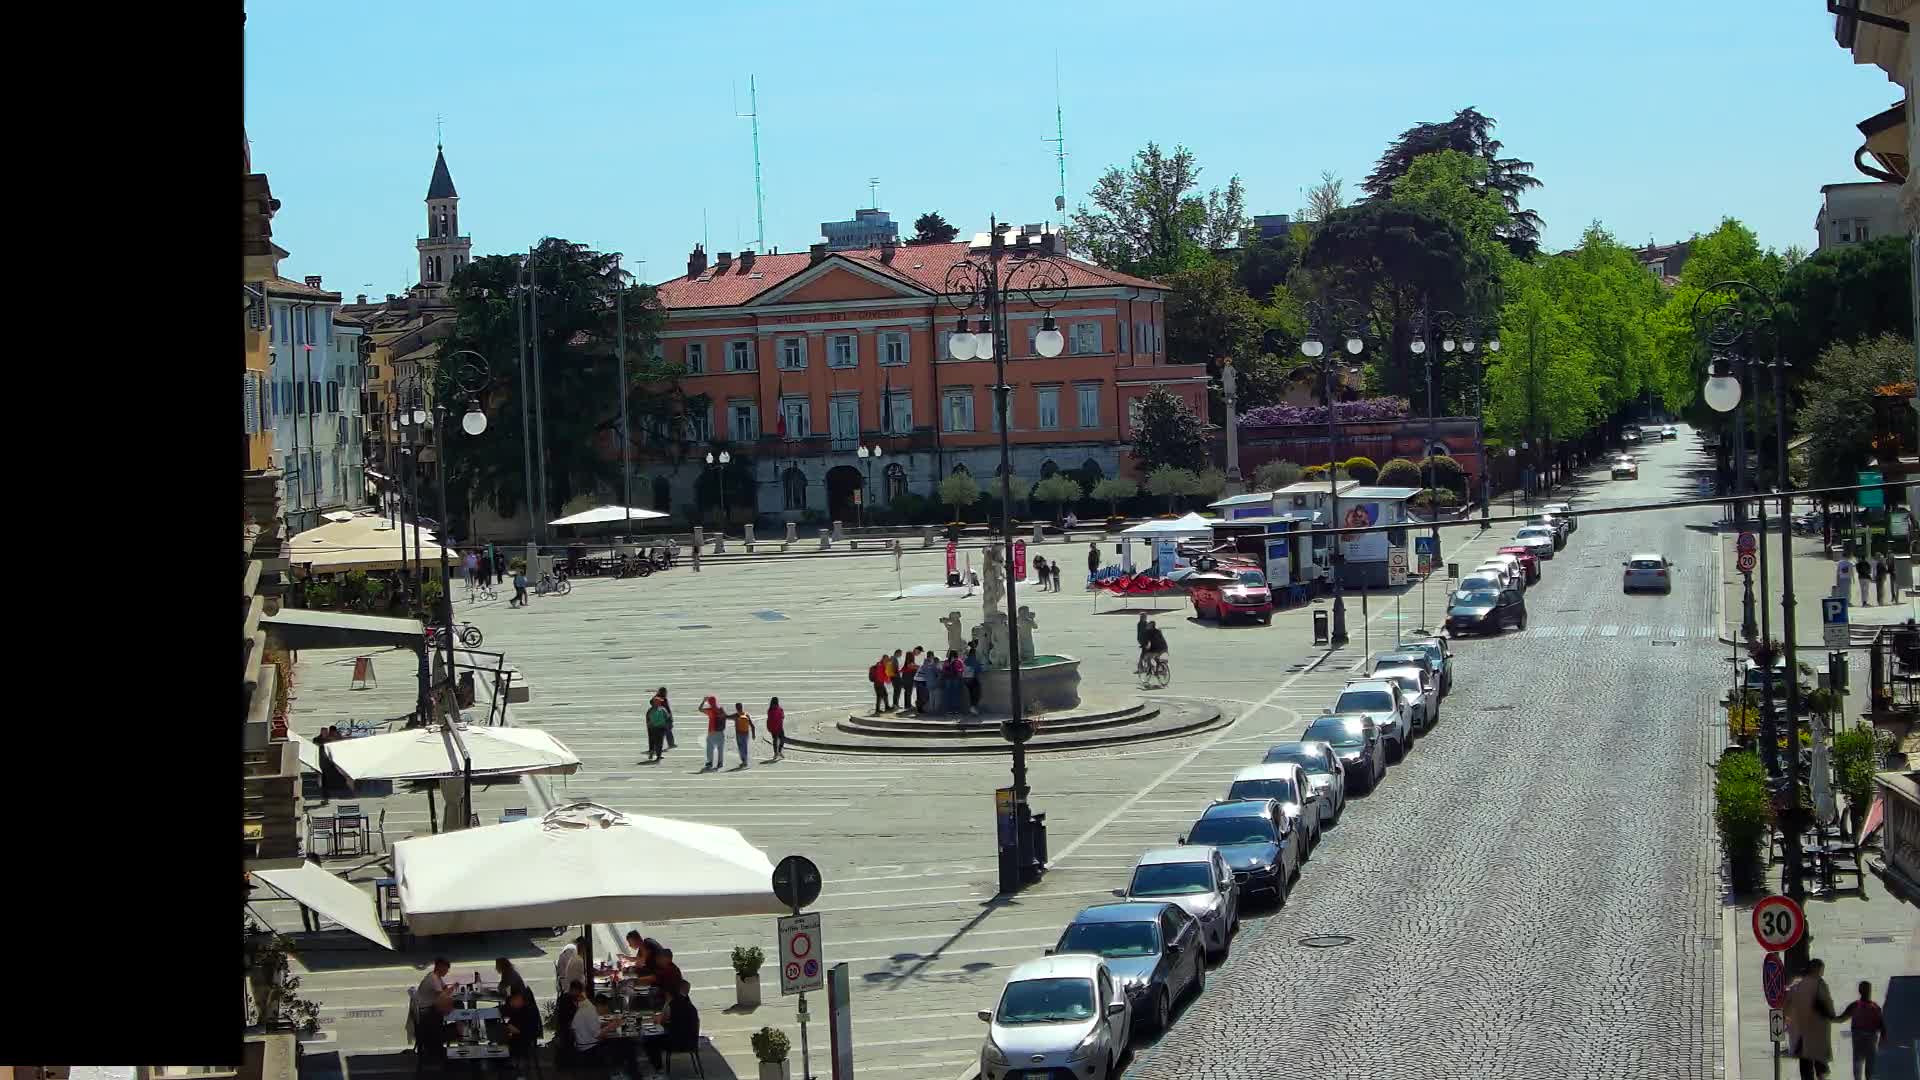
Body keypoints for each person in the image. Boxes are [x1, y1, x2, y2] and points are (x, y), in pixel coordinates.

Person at [1784, 957, 1840, 1080]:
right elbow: (1828, 1004)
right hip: (1817, 1030)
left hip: (1802, 1032)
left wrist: (1787, 1021)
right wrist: (1832, 1016)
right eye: (1821, 970)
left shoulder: (1797, 985)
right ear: (1816, 970)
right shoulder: (1820, 984)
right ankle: (1821, 1074)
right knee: (1819, 1061)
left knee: (1805, 1064)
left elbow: (1786, 1003)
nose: (1822, 972)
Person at [643, 979, 701, 1074]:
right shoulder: (690, 1005)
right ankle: (657, 1068)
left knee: (650, 1041)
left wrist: (666, 1004)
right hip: (691, 1042)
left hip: (676, 1043)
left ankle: (658, 1069)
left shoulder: (672, 1004)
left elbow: (661, 1021)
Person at [1838, 980, 1885, 1080]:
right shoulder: (1874, 1007)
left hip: (1861, 1038)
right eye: (1867, 989)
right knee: (1867, 1066)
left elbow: (1841, 1018)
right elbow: (1881, 1025)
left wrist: (1828, 1017)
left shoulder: (1857, 1005)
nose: (1868, 991)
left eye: (1867, 989)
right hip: (1869, 1038)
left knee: (1860, 1065)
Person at [410, 957, 452, 1048]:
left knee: (450, 1007)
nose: (446, 972)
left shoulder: (436, 976)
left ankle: (440, 1041)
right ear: (439, 967)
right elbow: (442, 995)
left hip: (428, 1009)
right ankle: (438, 1043)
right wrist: (453, 988)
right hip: (426, 1011)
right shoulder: (434, 978)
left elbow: (444, 988)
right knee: (451, 1009)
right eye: (445, 969)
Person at [497, 985, 543, 1064]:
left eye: (512, 1000)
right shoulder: (525, 1008)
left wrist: (508, 1028)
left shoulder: (526, 1011)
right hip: (524, 1040)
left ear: (519, 997)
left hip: (522, 1043)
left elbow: (520, 1031)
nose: (511, 1003)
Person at [701, 696, 727, 771]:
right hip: (720, 732)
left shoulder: (710, 710)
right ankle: (720, 763)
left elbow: (700, 709)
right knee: (720, 749)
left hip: (712, 732)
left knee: (710, 748)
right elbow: (725, 716)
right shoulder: (720, 709)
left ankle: (710, 762)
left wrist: (703, 701)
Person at [645, 695, 671, 763]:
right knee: (659, 742)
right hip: (658, 728)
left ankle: (655, 753)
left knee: (655, 742)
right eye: (659, 702)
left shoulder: (650, 710)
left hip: (654, 728)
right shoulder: (661, 709)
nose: (660, 703)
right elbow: (668, 717)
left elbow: (648, 720)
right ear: (655, 703)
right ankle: (658, 755)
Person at [942, 650, 967, 716]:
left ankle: (948, 710)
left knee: (948, 694)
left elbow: (943, 670)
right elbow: (962, 669)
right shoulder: (959, 661)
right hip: (956, 679)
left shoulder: (947, 661)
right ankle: (956, 710)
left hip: (948, 679)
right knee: (956, 694)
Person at [733, 702, 756, 768]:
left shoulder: (736, 715)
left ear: (736, 708)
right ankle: (744, 761)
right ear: (742, 707)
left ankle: (744, 761)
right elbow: (752, 726)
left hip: (739, 734)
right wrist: (753, 735)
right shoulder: (746, 715)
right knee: (744, 747)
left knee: (740, 748)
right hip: (746, 734)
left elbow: (727, 717)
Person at [915, 645, 937, 713]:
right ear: (930, 656)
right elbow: (929, 674)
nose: (932, 658)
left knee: (920, 695)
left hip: (918, 680)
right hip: (921, 681)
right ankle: (920, 709)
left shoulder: (927, 662)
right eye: (932, 657)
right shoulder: (927, 663)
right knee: (924, 696)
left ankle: (920, 709)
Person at [899, 649, 920, 715]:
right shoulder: (910, 664)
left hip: (905, 680)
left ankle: (907, 705)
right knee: (909, 692)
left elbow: (902, 671)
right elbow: (917, 667)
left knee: (907, 692)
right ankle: (908, 705)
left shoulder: (906, 664)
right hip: (909, 680)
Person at [964, 642, 983, 715]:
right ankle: (973, 707)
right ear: (974, 653)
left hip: (966, 680)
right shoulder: (975, 660)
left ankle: (972, 707)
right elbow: (979, 670)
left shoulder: (966, 660)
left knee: (971, 694)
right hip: (973, 679)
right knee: (977, 693)